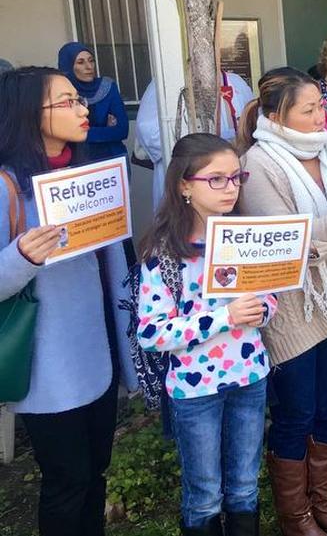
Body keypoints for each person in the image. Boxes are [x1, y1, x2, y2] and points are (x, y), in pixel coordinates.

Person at [237, 68, 327, 534]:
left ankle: (325, 505)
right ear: (277, 116)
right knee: (296, 413)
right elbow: (288, 243)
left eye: (321, 106)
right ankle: (296, 518)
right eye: (310, 109)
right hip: (293, 308)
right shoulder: (259, 165)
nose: (322, 116)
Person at [0, 66, 137, 536]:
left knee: (95, 470)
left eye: (80, 100)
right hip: (48, 366)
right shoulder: (6, 188)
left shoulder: (89, 176)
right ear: (27, 113)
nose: (83, 110)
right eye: (67, 102)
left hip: (99, 352)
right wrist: (20, 257)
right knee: (66, 480)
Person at [136, 133, 276, 535]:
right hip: (195, 389)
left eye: (236, 178)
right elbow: (152, 332)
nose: (230, 188)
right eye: (216, 179)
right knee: (205, 493)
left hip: (249, 375)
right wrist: (225, 317)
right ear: (184, 184)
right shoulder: (164, 251)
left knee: (245, 487)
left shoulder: (246, 235)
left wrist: (263, 308)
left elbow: (269, 294)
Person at [136, 72, 256, 209]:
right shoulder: (165, 82)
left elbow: (248, 123)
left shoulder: (236, 82)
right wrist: (203, 148)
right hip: (191, 175)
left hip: (230, 177)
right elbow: (149, 133)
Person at [56, 42, 129, 162]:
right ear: (68, 66)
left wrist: (78, 133)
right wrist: (106, 130)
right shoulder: (61, 93)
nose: (89, 67)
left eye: (91, 60)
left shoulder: (108, 86)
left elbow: (122, 130)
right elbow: (62, 132)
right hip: (77, 162)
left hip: (113, 160)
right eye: (80, 62)